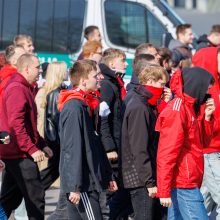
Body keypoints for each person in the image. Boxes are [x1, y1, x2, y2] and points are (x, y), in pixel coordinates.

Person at [57, 59, 117, 219]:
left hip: (85, 179)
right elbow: (72, 148)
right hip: (82, 182)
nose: (101, 78)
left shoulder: (84, 104)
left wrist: (107, 174)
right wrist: (75, 185)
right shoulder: (74, 107)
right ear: (83, 80)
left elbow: (95, 144)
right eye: (96, 75)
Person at [156, 66, 216, 219]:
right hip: (183, 181)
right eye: (206, 90)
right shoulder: (178, 110)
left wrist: (207, 118)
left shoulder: (189, 107)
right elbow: (166, 153)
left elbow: (201, 142)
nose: (207, 95)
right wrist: (163, 191)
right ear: (197, 87)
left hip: (187, 179)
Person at [0, 54, 53, 220]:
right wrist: (31, 149)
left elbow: (29, 125)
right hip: (20, 154)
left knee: (10, 199)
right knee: (36, 198)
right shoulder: (17, 88)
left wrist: (42, 144)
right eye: (37, 67)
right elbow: (16, 125)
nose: (40, 70)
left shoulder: (23, 87)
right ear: (27, 68)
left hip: (17, 152)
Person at [121, 64, 169, 220]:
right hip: (141, 178)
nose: (164, 89)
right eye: (162, 85)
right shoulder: (139, 107)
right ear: (149, 80)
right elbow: (139, 148)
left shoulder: (145, 103)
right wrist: (149, 182)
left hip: (143, 175)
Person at [192, 47, 220, 219]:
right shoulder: (203, 92)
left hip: (214, 151)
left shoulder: (216, 88)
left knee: (201, 204)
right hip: (209, 152)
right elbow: (199, 128)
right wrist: (208, 118)